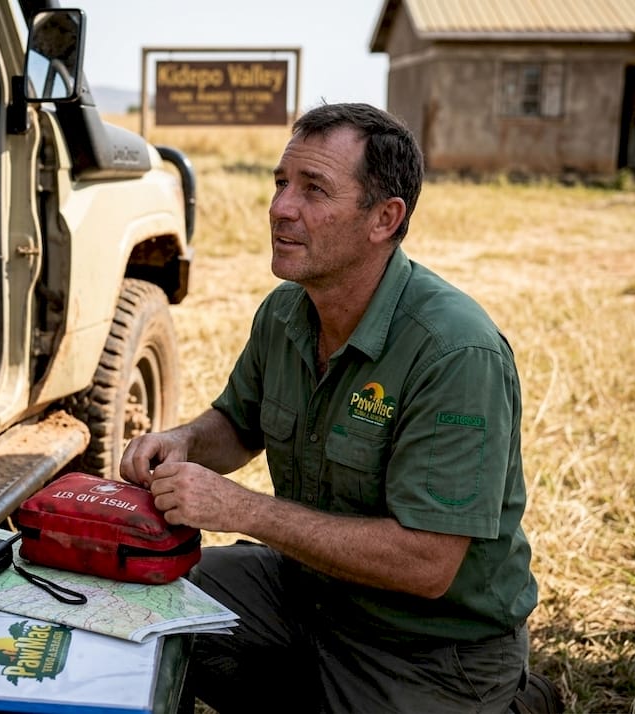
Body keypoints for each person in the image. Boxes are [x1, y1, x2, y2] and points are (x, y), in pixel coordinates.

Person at [120, 102, 539, 713]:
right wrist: (183, 440)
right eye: (281, 184)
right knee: (138, 601)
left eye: (314, 190)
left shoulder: (455, 351)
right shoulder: (287, 311)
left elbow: (427, 564)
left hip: (427, 645)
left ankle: (516, 703)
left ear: (384, 219)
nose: (281, 208)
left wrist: (240, 509)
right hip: (308, 591)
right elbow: (237, 425)